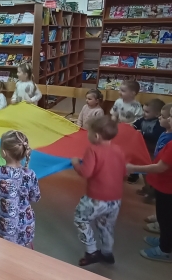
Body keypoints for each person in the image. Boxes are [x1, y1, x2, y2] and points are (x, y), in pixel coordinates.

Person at [72, 115, 126, 266]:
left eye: (88, 132)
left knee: (80, 219)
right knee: (106, 225)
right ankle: (107, 253)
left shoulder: (92, 150)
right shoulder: (118, 150)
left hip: (96, 199)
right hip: (115, 199)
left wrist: (76, 164)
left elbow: (86, 173)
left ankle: (92, 252)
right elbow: (123, 172)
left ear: (96, 136)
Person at [127, 103, 172, 263]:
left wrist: (134, 167)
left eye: (171, 116)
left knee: (166, 219)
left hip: (168, 188)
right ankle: (164, 241)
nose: (167, 118)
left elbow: (160, 167)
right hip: (165, 185)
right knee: (164, 216)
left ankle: (165, 250)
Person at [0, 130, 40, 248]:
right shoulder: (30, 174)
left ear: (3, 152)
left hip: (2, 226)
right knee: (21, 252)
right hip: (25, 225)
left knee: (2, 250)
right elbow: (35, 197)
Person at [141, 103, 172, 235]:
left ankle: (161, 227)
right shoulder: (165, 133)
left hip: (166, 178)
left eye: (164, 116)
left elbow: (162, 166)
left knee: (165, 208)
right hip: (160, 176)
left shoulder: (170, 139)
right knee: (161, 204)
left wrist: (134, 167)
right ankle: (159, 218)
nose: (160, 118)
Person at [130, 99, 165, 188]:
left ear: (157, 114)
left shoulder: (159, 123)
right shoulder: (143, 119)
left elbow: (156, 135)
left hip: (152, 151)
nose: (143, 113)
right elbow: (135, 124)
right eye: (143, 110)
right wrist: (130, 127)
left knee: (149, 170)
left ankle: (150, 188)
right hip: (143, 149)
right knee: (143, 170)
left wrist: (142, 133)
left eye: (147, 112)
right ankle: (147, 187)